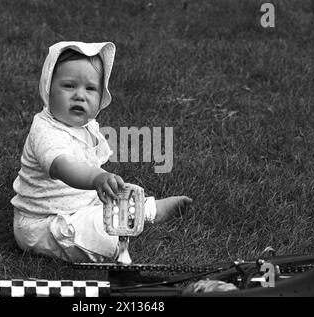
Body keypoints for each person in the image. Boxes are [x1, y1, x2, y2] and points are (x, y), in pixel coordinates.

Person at [11, 41, 192, 263]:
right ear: (48, 88)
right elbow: (63, 166)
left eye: (90, 89)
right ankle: (114, 238)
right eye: (68, 86)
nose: (79, 95)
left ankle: (149, 210)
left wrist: (101, 182)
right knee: (91, 227)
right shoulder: (46, 131)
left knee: (120, 194)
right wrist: (97, 178)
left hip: (80, 203)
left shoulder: (87, 127)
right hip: (44, 222)